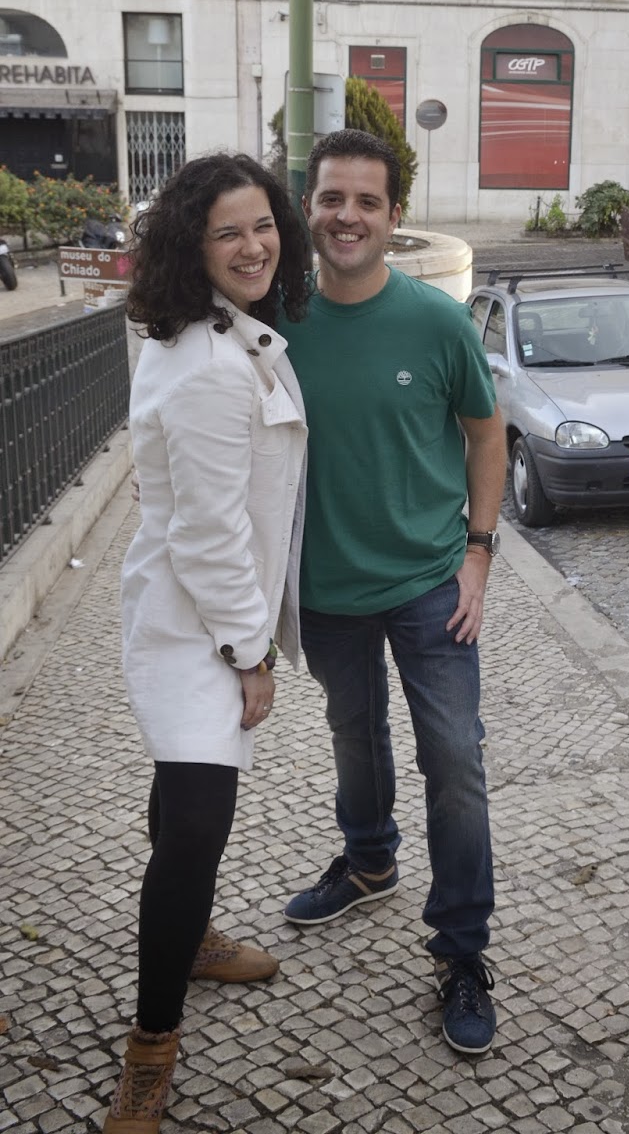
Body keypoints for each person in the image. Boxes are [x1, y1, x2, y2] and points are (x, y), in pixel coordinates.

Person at [278, 129, 508, 1056]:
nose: (347, 217)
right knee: (353, 733)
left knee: (454, 761)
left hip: (427, 584)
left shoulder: (437, 322)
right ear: (309, 208)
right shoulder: (273, 322)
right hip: (325, 585)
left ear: (393, 216)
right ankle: (370, 861)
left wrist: (479, 555)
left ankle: (461, 950)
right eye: (332, 198)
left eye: (366, 202)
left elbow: (486, 436)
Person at [105, 154, 311, 1134]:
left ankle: (187, 940)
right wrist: (250, 655)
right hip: (198, 629)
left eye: (263, 224)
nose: (252, 245)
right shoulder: (208, 366)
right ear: (193, 246)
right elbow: (208, 534)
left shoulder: (208, 331)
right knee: (196, 828)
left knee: (181, 808)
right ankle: (152, 1045)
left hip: (190, 614)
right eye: (228, 231)